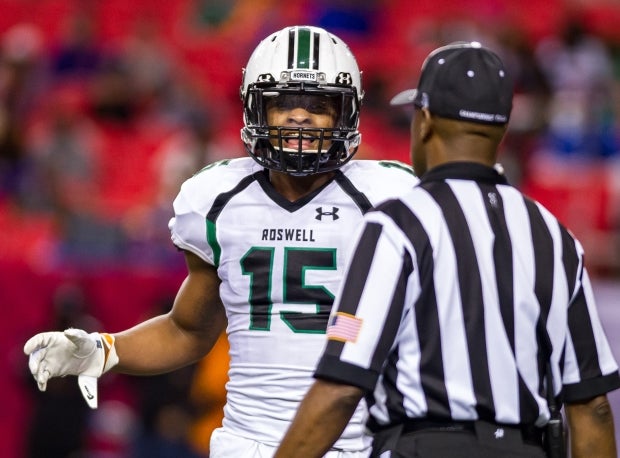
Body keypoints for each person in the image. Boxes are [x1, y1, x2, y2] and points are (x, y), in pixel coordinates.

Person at [23, 25, 418, 458]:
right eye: (283, 102)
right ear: (254, 108)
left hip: (358, 445)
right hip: (247, 443)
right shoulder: (218, 198)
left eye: (320, 105)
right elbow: (187, 330)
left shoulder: (389, 198)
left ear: (347, 114)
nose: (300, 117)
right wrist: (104, 349)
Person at [274, 41, 620, 458]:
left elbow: (342, 386)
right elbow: (593, 407)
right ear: (502, 129)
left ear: (424, 121)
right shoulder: (552, 235)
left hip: (424, 446)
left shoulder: (396, 225)